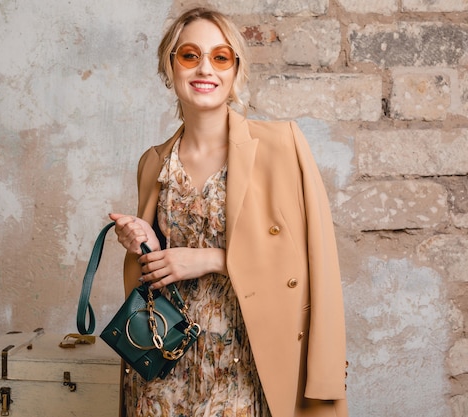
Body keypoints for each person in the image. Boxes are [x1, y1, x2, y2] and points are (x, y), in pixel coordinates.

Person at [109, 6, 348, 417]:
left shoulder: (281, 145)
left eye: (220, 57)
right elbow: (153, 270)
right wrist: (142, 243)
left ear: (235, 70)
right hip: (164, 372)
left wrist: (208, 259)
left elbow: (314, 264)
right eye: (190, 55)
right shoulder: (153, 163)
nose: (206, 69)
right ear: (171, 66)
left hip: (246, 367)